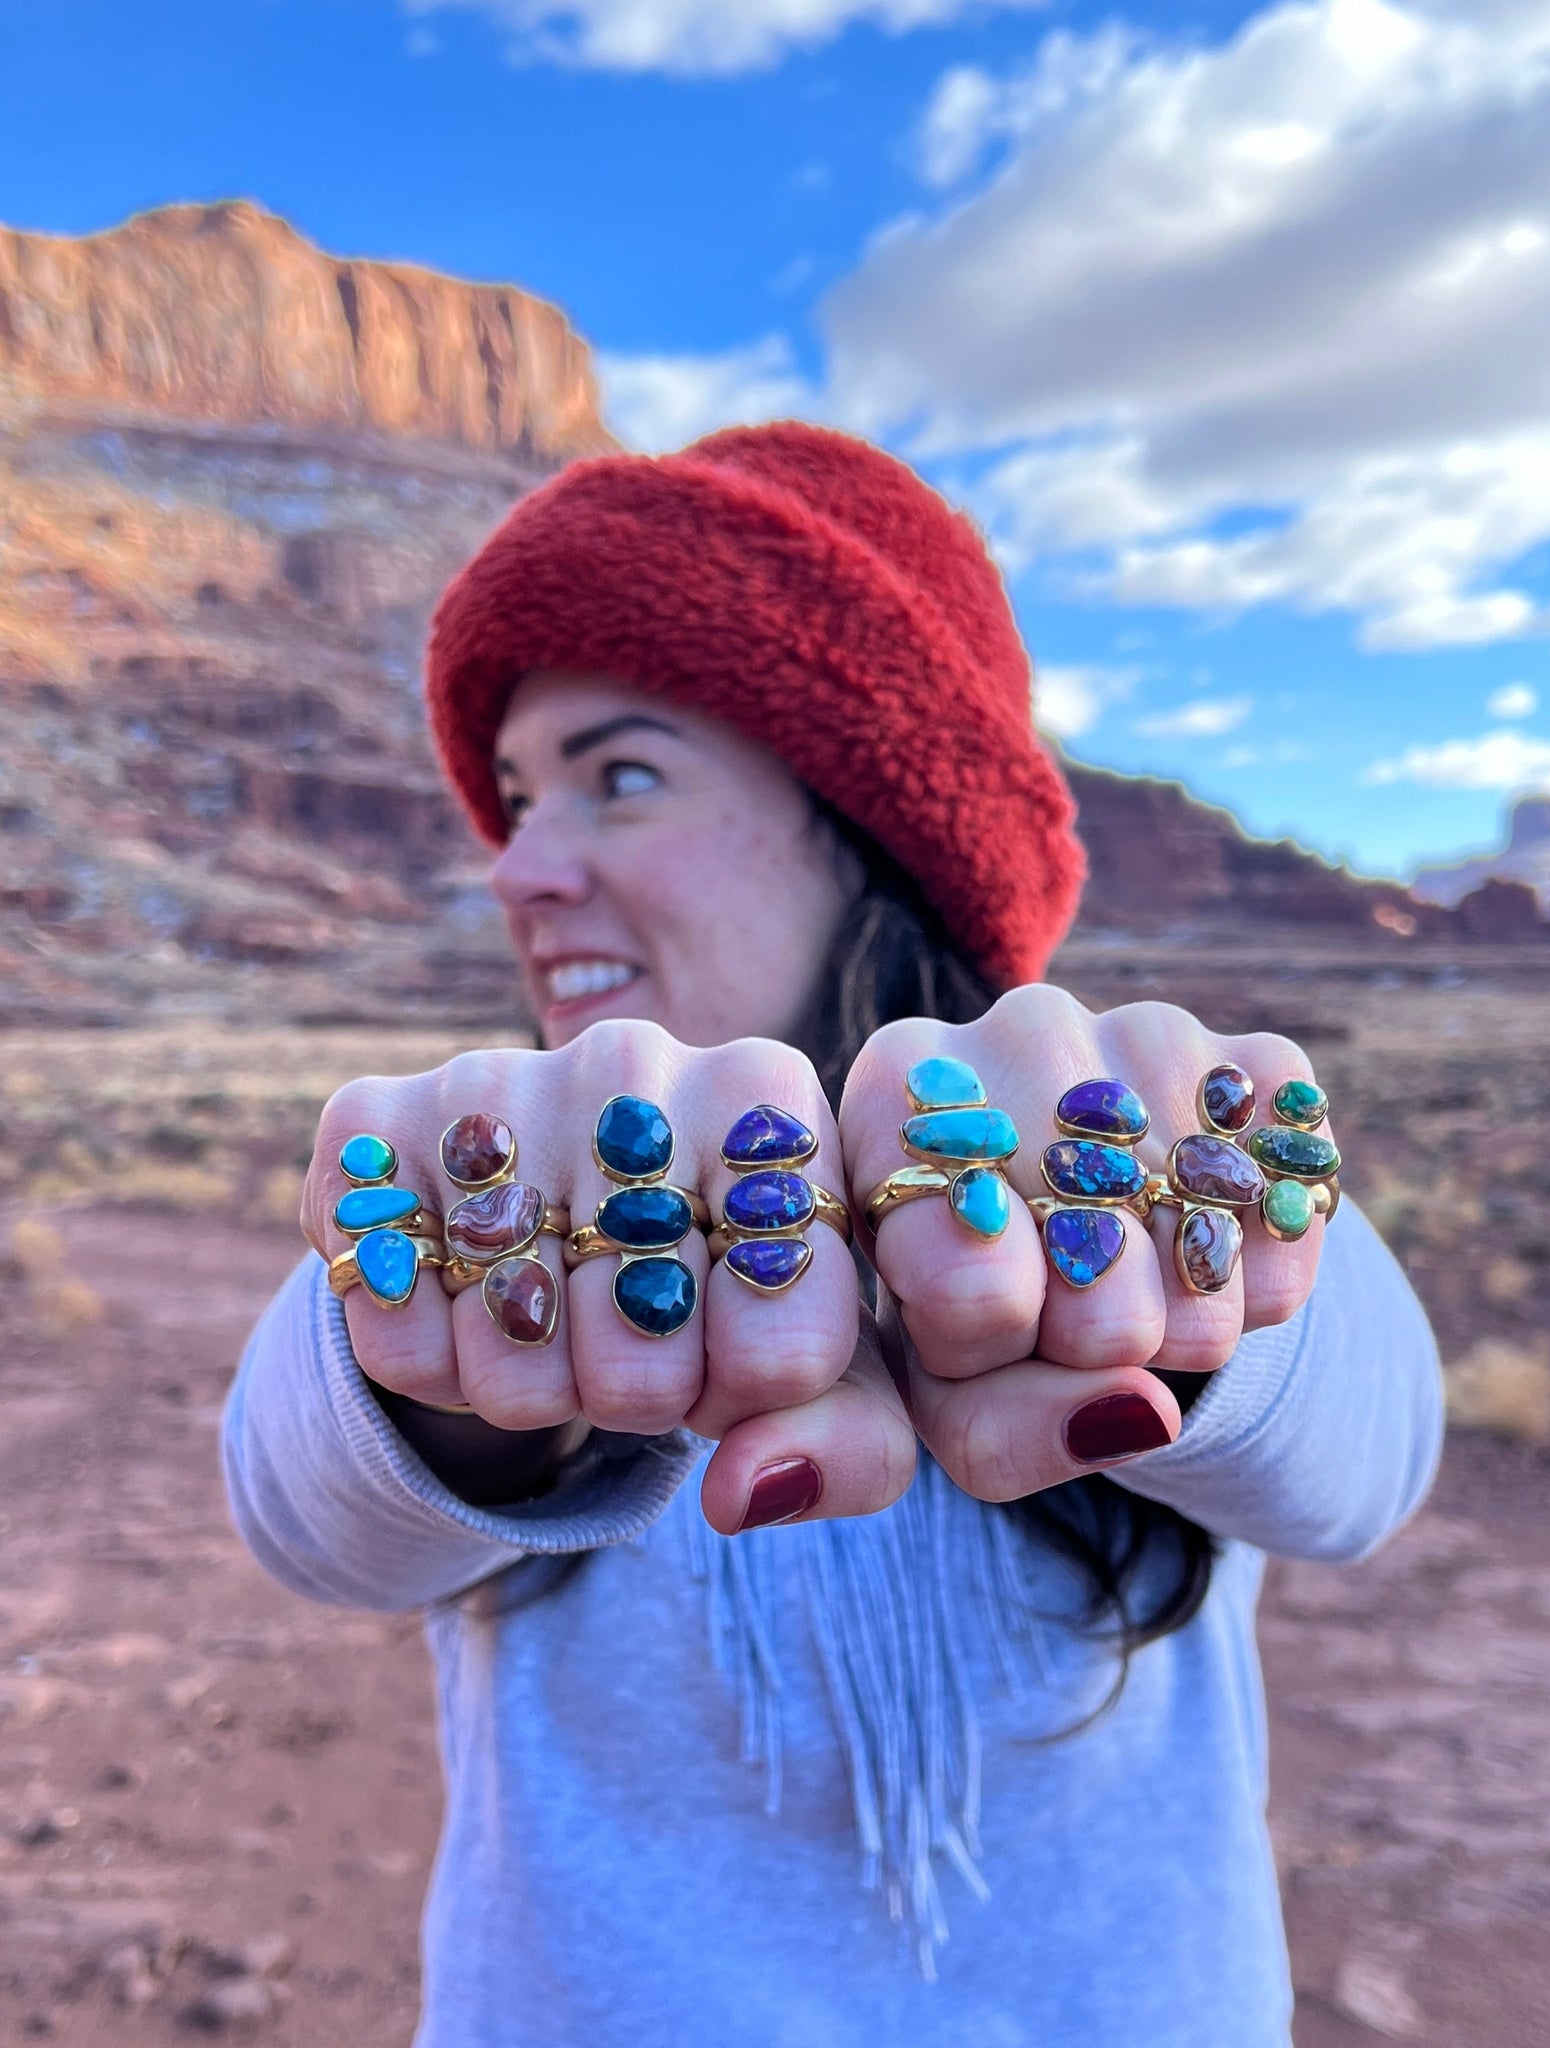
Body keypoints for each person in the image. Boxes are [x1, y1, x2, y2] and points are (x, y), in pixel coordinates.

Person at [223, 422, 1442, 2047]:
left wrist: (1176, 1281)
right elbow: (310, 1521)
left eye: (621, 775)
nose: (517, 867)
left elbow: (1369, 1457)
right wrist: (462, 1379)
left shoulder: (1118, 1147)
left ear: (868, 815)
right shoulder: (500, 1183)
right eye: (515, 799)